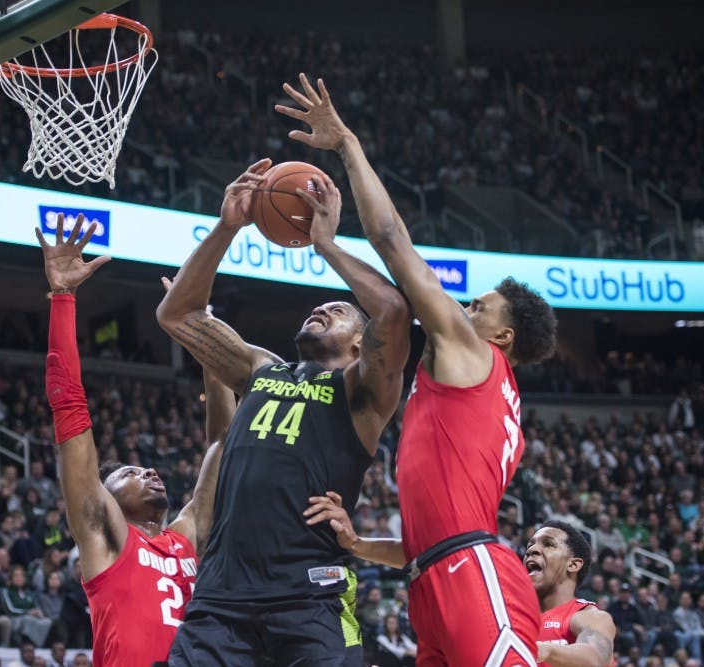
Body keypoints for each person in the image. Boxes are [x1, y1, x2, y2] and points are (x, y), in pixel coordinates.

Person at [277, 73, 557, 666]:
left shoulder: (472, 352)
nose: (462, 308)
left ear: (501, 337)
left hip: (473, 575)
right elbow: (436, 534)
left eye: (478, 307)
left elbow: (390, 239)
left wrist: (346, 144)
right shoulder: (488, 395)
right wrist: (358, 544)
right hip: (436, 575)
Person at [158, 159, 410, 665]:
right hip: (221, 594)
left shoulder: (363, 391)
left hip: (309, 593)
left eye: (337, 311)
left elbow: (394, 311)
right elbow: (177, 314)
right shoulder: (261, 368)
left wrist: (325, 245)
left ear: (362, 344)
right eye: (319, 307)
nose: (319, 309)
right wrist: (227, 227)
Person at [36, 215, 237, 665]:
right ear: (104, 497)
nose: (148, 470)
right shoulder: (104, 535)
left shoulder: (184, 537)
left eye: (144, 468)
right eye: (128, 472)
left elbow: (225, 443)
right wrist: (63, 298)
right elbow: (68, 406)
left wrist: (207, 339)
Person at [523, 521, 616, 666]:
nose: (532, 550)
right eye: (530, 545)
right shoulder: (513, 620)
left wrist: (544, 650)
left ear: (573, 565)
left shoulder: (588, 615)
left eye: (548, 544)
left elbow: (596, 657)